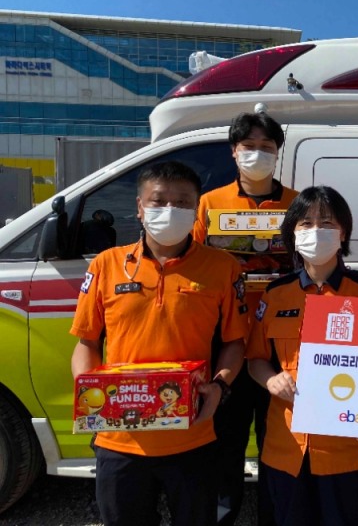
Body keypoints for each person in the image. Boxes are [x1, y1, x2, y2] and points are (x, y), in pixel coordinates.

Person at [70, 160, 248, 526]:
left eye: (183, 202)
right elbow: (86, 342)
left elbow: (235, 343)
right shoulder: (106, 265)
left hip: (192, 436)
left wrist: (219, 386)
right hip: (119, 438)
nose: (171, 210)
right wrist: (90, 394)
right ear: (139, 207)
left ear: (196, 208)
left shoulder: (223, 267)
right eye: (159, 200)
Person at [247, 185, 358, 526]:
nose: (316, 231)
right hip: (286, 446)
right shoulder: (276, 295)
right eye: (305, 224)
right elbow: (255, 359)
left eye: (326, 222)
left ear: (343, 232)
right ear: (292, 235)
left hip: (346, 447)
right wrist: (271, 378)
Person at [192, 111, 298, 526]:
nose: (258, 155)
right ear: (234, 152)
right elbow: (197, 263)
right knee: (226, 447)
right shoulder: (209, 204)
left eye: (267, 148)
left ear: (278, 154)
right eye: (249, 147)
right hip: (229, 347)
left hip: (282, 346)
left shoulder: (297, 203)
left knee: (280, 445)